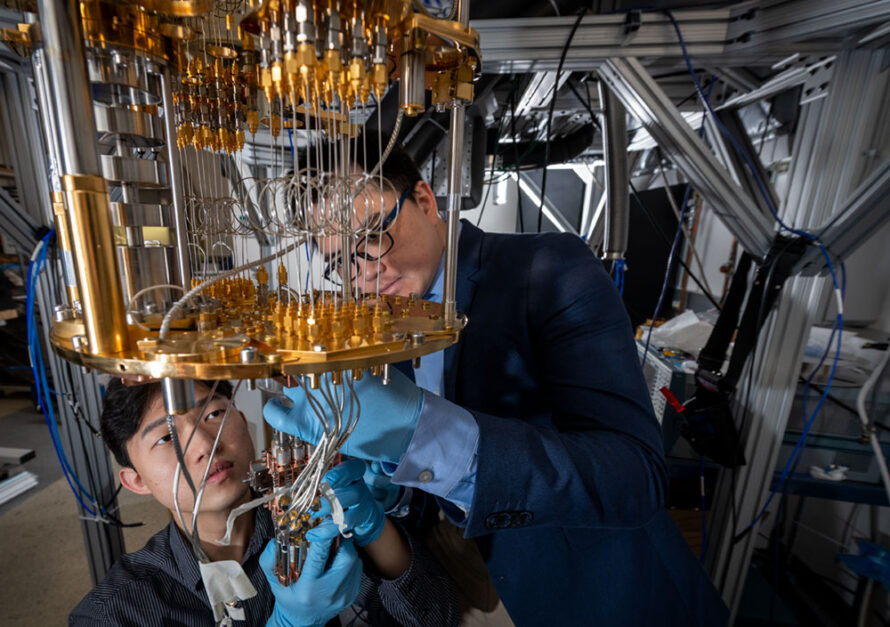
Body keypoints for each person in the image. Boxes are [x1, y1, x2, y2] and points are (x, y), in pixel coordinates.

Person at [264, 144, 730, 625]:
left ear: (425, 200)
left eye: (372, 233)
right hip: (461, 589)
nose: (364, 270)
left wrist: (424, 435)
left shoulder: (549, 271)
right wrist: (392, 495)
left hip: (590, 590)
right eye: (341, 261)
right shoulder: (379, 321)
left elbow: (635, 477)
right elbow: (431, 487)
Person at [70, 377, 458, 626]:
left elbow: (440, 616)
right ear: (135, 481)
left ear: (242, 416)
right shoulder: (117, 612)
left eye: (215, 414)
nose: (205, 445)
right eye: (166, 438)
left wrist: (375, 529)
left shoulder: (314, 519)